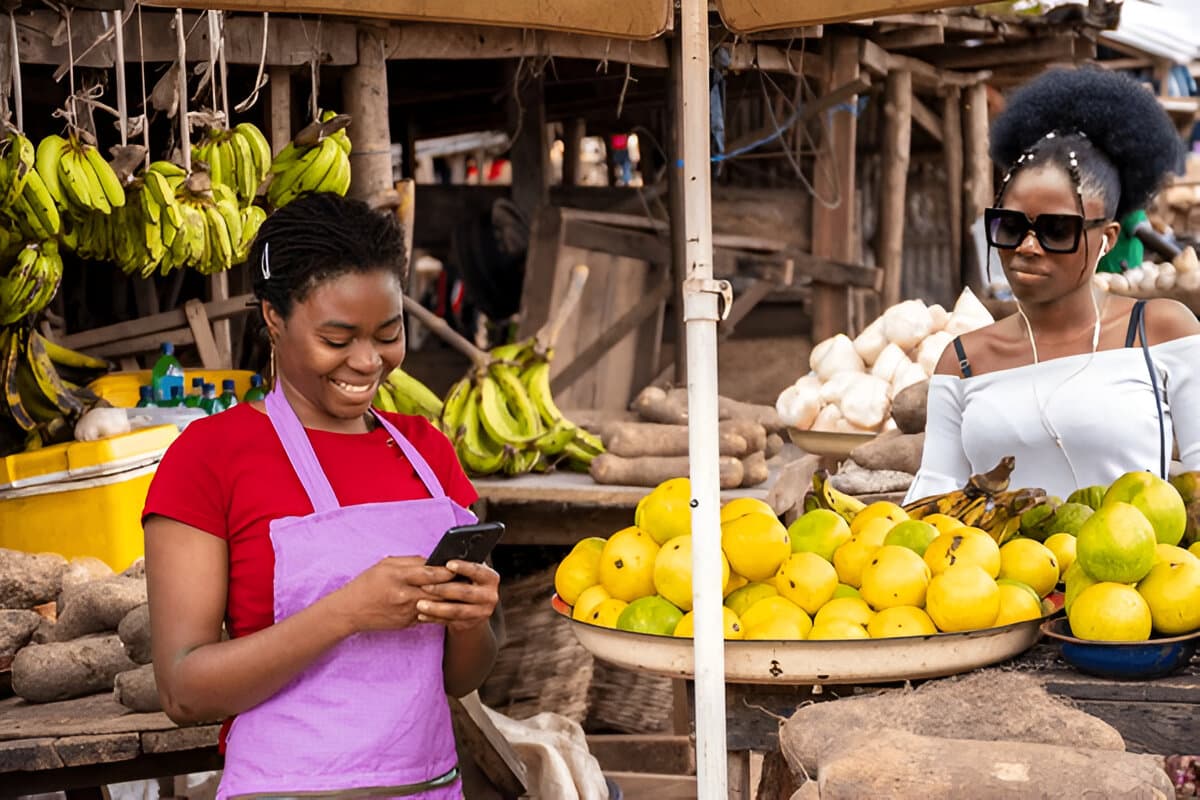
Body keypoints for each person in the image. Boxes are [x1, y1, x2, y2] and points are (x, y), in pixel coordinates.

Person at [142, 193, 499, 799]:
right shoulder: (210, 456)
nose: (366, 361)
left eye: (388, 333)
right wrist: (347, 612)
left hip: (428, 788)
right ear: (274, 319)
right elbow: (183, 690)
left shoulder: (427, 451)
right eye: (337, 338)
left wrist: (469, 621)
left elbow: (461, 678)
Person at [906, 67, 1200, 503]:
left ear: (1108, 239)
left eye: (1057, 229)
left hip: (1139, 569)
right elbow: (931, 497)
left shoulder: (1161, 330)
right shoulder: (964, 359)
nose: (1027, 246)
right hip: (987, 571)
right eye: (1009, 227)